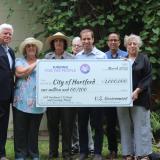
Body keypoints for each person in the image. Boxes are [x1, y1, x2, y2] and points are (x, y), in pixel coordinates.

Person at [117, 34, 152, 160]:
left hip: (140, 99)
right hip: (122, 100)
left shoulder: (144, 59)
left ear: (139, 46)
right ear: (126, 46)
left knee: (141, 126)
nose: (132, 46)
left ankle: (143, 154)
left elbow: (148, 78)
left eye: (135, 44)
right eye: (130, 44)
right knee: (125, 126)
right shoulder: (121, 61)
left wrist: (137, 91)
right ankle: (128, 153)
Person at [13, 37, 45, 160]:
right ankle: (20, 154)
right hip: (20, 101)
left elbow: (23, 73)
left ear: (36, 49)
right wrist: (36, 64)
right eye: (28, 46)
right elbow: (19, 72)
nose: (31, 47)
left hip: (37, 102)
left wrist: (34, 65)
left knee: (33, 130)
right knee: (20, 129)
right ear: (25, 49)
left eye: (33, 46)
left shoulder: (43, 63)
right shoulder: (19, 61)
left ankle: (33, 153)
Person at [76, 29, 106, 160]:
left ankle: (98, 152)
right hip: (82, 98)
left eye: (89, 38)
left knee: (98, 125)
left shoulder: (102, 56)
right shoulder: (77, 57)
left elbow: (106, 76)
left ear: (93, 39)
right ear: (81, 40)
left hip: (97, 97)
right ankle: (83, 152)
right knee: (82, 125)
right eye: (84, 39)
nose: (86, 41)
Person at [45, 32, 75, 160]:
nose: (58, 43)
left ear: (64, 44)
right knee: (52, 126)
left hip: (68, 99)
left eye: (61, 41)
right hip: (52, 99)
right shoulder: (47, 58)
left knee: (67, 127)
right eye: (56, 41)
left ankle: (67, 153)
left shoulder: (72, 58)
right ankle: (53, 153)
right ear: (53, 44)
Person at [104, 33, 127, 159]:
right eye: (111, 40)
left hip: (122, 97)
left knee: (124, 125)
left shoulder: (126, 55)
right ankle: (113, 150)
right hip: (108, 98)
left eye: (115, 40)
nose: (113, 42)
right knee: (110, 126)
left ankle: (127, 150)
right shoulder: (103, 57)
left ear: (119, 42)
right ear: (108, 42)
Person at [71, 37, 94, 156]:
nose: (76, 48)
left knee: (85, 123)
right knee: (74, 122)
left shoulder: (84, 59)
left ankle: (90, 146)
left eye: (78, 46)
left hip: (84, 96)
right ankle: (75, 145)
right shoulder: (68, 59)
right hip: (71, 96)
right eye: (74, 45)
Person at [0, 23, 15, 160]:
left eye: (10, 33)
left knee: (3, 125)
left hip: (7, 95)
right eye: (5, 33)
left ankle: (2, 153)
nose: (8, 35)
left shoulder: (10, 51)